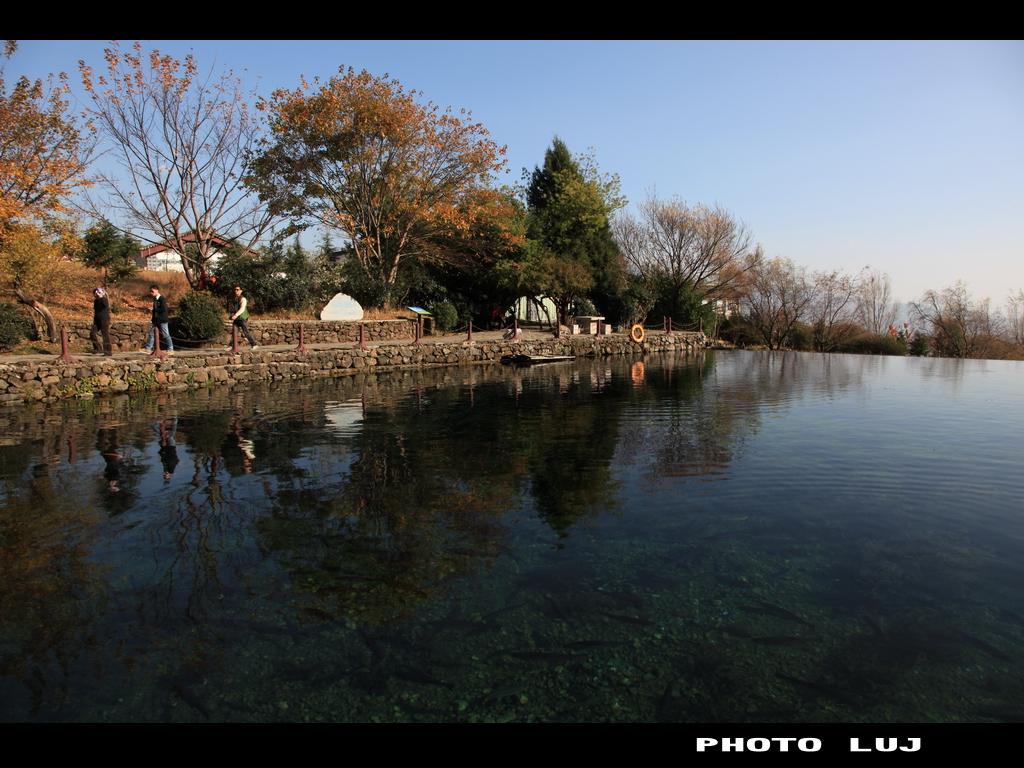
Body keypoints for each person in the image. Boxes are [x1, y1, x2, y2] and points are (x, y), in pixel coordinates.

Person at [142, 284, 173, 354]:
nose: (151, 293)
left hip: (162, 320)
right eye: (150, 291)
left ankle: (171, 349)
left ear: (156, 290)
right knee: (151, 334)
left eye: (152, 291)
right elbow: (155, 311)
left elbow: (164, 309)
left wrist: (154, 309)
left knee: (166, 334)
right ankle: (148, 348)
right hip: (156, 320)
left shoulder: (162, 299)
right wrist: (153, 319)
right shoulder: (155, 299)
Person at [227, 285, 258, 350]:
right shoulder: (234, 299)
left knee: (246, 332)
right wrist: (231, 315)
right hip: (237, 318)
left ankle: (254, 345)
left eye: (237, 289)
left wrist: (235, 315)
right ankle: (231, 346)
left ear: (241, 291)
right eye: (235, 289)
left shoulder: (243, 299)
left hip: (243, 318)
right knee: (234, 332)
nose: (236, 291)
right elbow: (232, 309)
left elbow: (242, 309)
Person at [90, 287, 113, 355]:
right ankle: (97, 348)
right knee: (92, 333)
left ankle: (108, 351)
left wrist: (102, 297)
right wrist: (94, 321)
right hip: (97, 320)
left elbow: (105, 305)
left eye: (97, 293)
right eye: (95, 293)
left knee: (105, 335)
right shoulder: (95, 301)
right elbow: (96, 311)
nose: (95, 294)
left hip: (104, 320)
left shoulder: (104, 300)